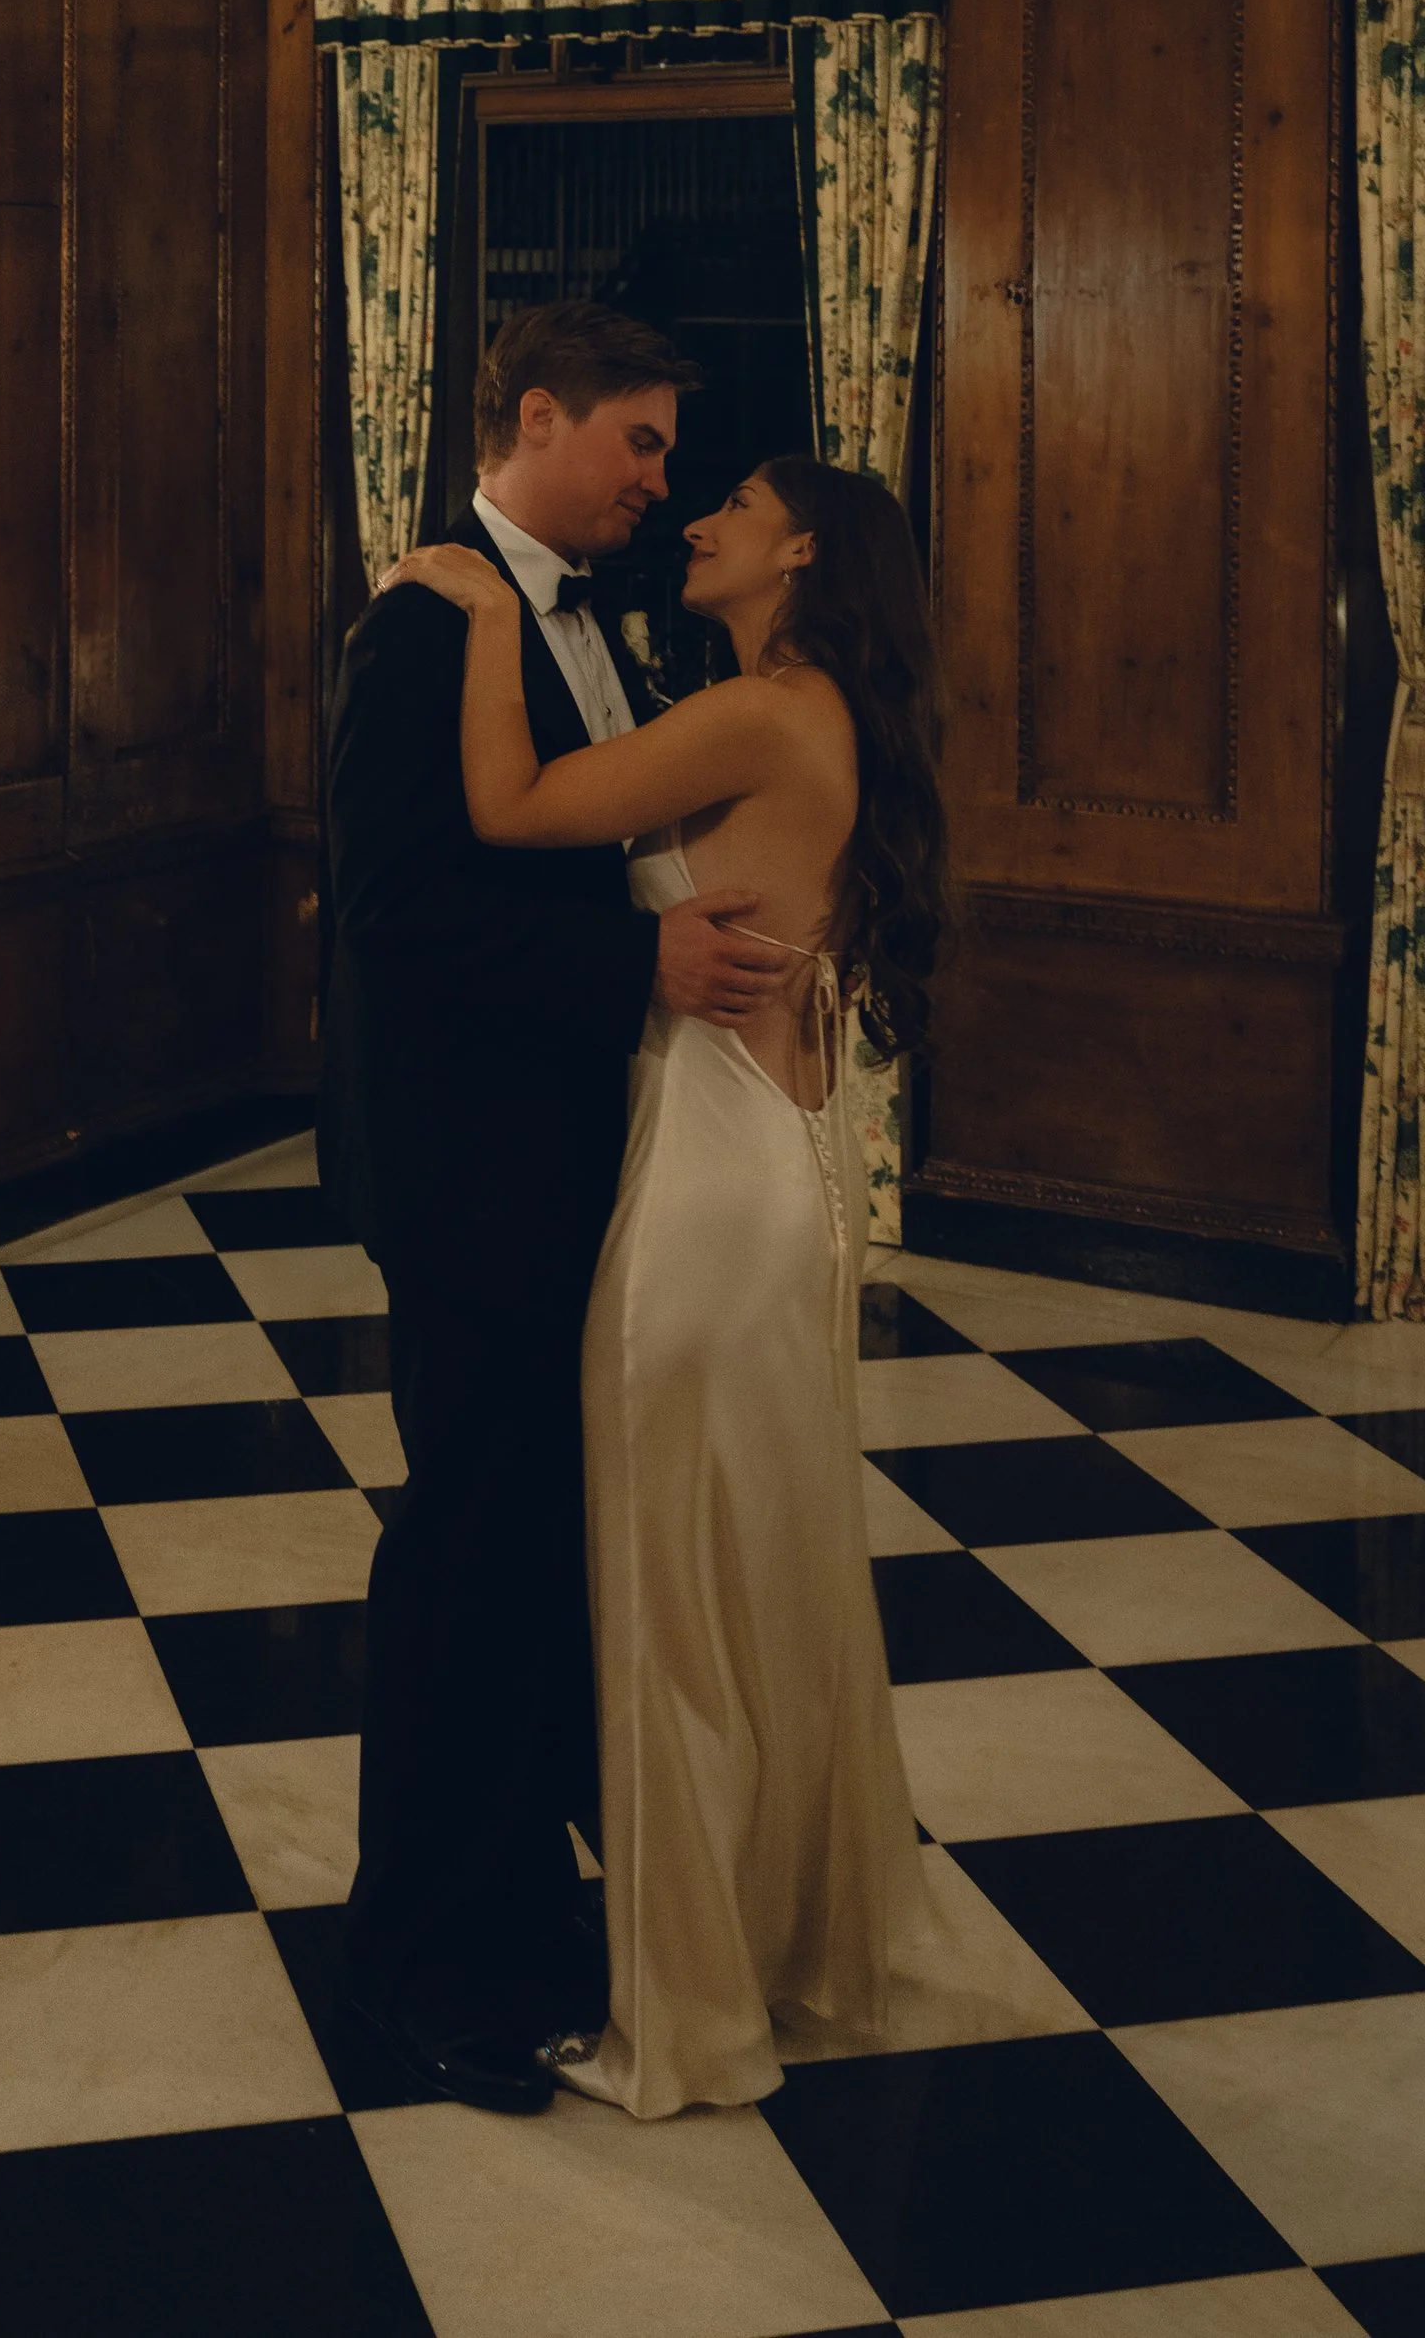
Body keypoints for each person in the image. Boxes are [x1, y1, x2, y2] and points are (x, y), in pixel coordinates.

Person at [387, 447, 958, 2117]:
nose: (694, 515)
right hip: (766, 1172)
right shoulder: (809, 711)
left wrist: (482, 608)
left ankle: (690, 2009)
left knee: (672, 1608)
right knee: (748, 1582)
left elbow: (505, 809)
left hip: (704, 1199)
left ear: (798, 553)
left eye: (732, 505)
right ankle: (758, 1948)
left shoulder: (766, 710)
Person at [318, 301, 791, 2117]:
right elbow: (393, 914)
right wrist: (634, 960)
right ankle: (413, 1967)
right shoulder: (420, 621)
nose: (660, 483)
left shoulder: (599, 628)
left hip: (572, 1162)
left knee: (541, 1560)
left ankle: (523, 1921)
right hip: (465, 1172)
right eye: (642, 444)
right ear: (540, 415)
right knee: (469, 1554)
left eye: (673, 455)